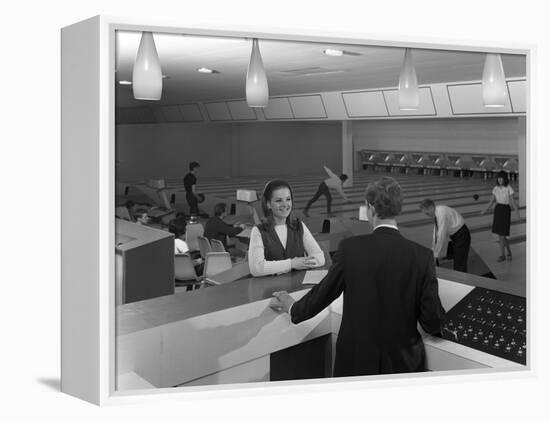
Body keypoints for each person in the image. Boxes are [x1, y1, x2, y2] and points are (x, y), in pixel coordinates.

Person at [270, 177, 445, 377]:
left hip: (356, 360)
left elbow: (323, 293)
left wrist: (294, 308)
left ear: (369, 207)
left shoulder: (351, 249)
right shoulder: (422, 256)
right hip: (403, 364)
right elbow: (432, 321)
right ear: (398, 208)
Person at [248, 180, 325, 277]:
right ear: (268, 204)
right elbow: (257, 268)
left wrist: (300, 263)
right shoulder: (259, 231)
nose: (285, 204)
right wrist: (292, 263)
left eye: (288, 199)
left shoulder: (299, 226)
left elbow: (320, 258)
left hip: (298, 288)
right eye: (279, 200)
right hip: (271, 290)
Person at [419, 198, 471, 273]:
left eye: (427, 213)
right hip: (457, 236)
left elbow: (441, 235)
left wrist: (436, 255)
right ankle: (459, 279)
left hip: (461, 235)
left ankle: (461, 283)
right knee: (458, 260)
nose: (427, 216)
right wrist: (433, 252)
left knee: (460, 264)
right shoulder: (437, 213)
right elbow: (435, 234)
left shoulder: (441, 213)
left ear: (431, 207)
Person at [480, 171, 522, 261]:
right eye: (498, 178)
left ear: (505, 178)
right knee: (500, 236)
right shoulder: (495, 188)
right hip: (498, 209)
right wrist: (484, 210)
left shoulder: (509, 188)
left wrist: (518, 215)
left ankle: (507, 253)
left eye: (501, 178)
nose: (499, 180)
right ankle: (504, 254)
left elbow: (513, 203)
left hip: (505, 210)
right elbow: (491, 201)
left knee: (503, 236)